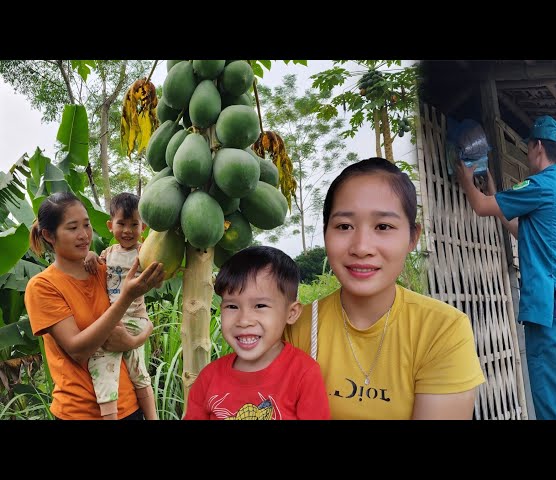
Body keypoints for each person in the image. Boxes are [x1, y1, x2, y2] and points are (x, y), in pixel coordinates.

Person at [284, 157, 486, 420]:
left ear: (413, 237)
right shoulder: (296, 328)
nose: (361, 247)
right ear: (325, 234)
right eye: (344, 226)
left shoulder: (442, 330)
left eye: (383, 227)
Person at [456, 115, 556, 420]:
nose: (527, 153)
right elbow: (522, 232)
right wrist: (496, 196)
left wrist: (464, 177)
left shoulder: (539, 186)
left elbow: (480, 207)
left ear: (537, 147)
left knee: (554, 413)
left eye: (528, 147)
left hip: (546, 313)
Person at [24, 191, 165, 420]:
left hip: (130, 407)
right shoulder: (42, 287)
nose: (84, 235)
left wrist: (133, 340)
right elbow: (78, 350)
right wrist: (126, 297)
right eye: (72, 228)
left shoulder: (105, 269)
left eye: (86, 225)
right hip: (80, 412)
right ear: (49, 235)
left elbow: (142, 320)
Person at [184, 245, 330, 420]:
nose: (244, 320)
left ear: (291, 313)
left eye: (260, 306)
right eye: (232, 306)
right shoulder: (208, 377)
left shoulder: (304, 374)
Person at [83, 192, 157, 420]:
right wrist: (91, 255)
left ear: (143, 226)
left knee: (100, 360)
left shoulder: (144, 252)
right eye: (121, 224)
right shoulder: (109, 253)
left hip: (134, 319)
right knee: (138, 373)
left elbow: (158, 275)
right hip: (116, 319)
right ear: (109, 225)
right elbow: (99, 264)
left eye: (134, 224)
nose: (127, 230)